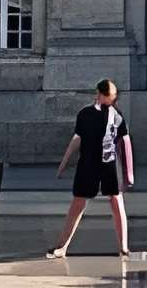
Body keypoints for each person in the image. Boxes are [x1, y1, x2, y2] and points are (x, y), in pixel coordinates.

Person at [47, 79, 134, 260]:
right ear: (100, 95)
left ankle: (123, 247)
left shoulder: (117, 116)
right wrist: (64, 163)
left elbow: (125, 143)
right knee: (78, 203)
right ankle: (62, 246)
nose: (112, 100)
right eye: (110, 96)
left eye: (114, 97)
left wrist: (128, 173)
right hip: (88, 163)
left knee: (117, 202)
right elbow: (76, 139)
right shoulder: (85, 114)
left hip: (109, 163)